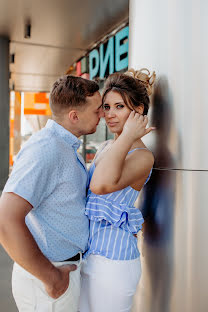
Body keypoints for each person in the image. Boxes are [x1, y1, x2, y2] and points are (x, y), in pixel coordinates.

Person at [0, 75, 103, 312]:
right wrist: (52, 279)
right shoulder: (46, 149)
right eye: (97, 110)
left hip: (62, 272)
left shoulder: (65, 146)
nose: (103, 116)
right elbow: (5, 220)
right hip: (48, 280)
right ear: (74, 116)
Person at [79, 68, 156, 312]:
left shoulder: (143, 156)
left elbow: (101, 185)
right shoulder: (105, 146)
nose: (110, 115)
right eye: (107, 107)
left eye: (119, 107)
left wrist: (128, 136)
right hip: (88, 257)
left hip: (114, 263)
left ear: (139, 111)